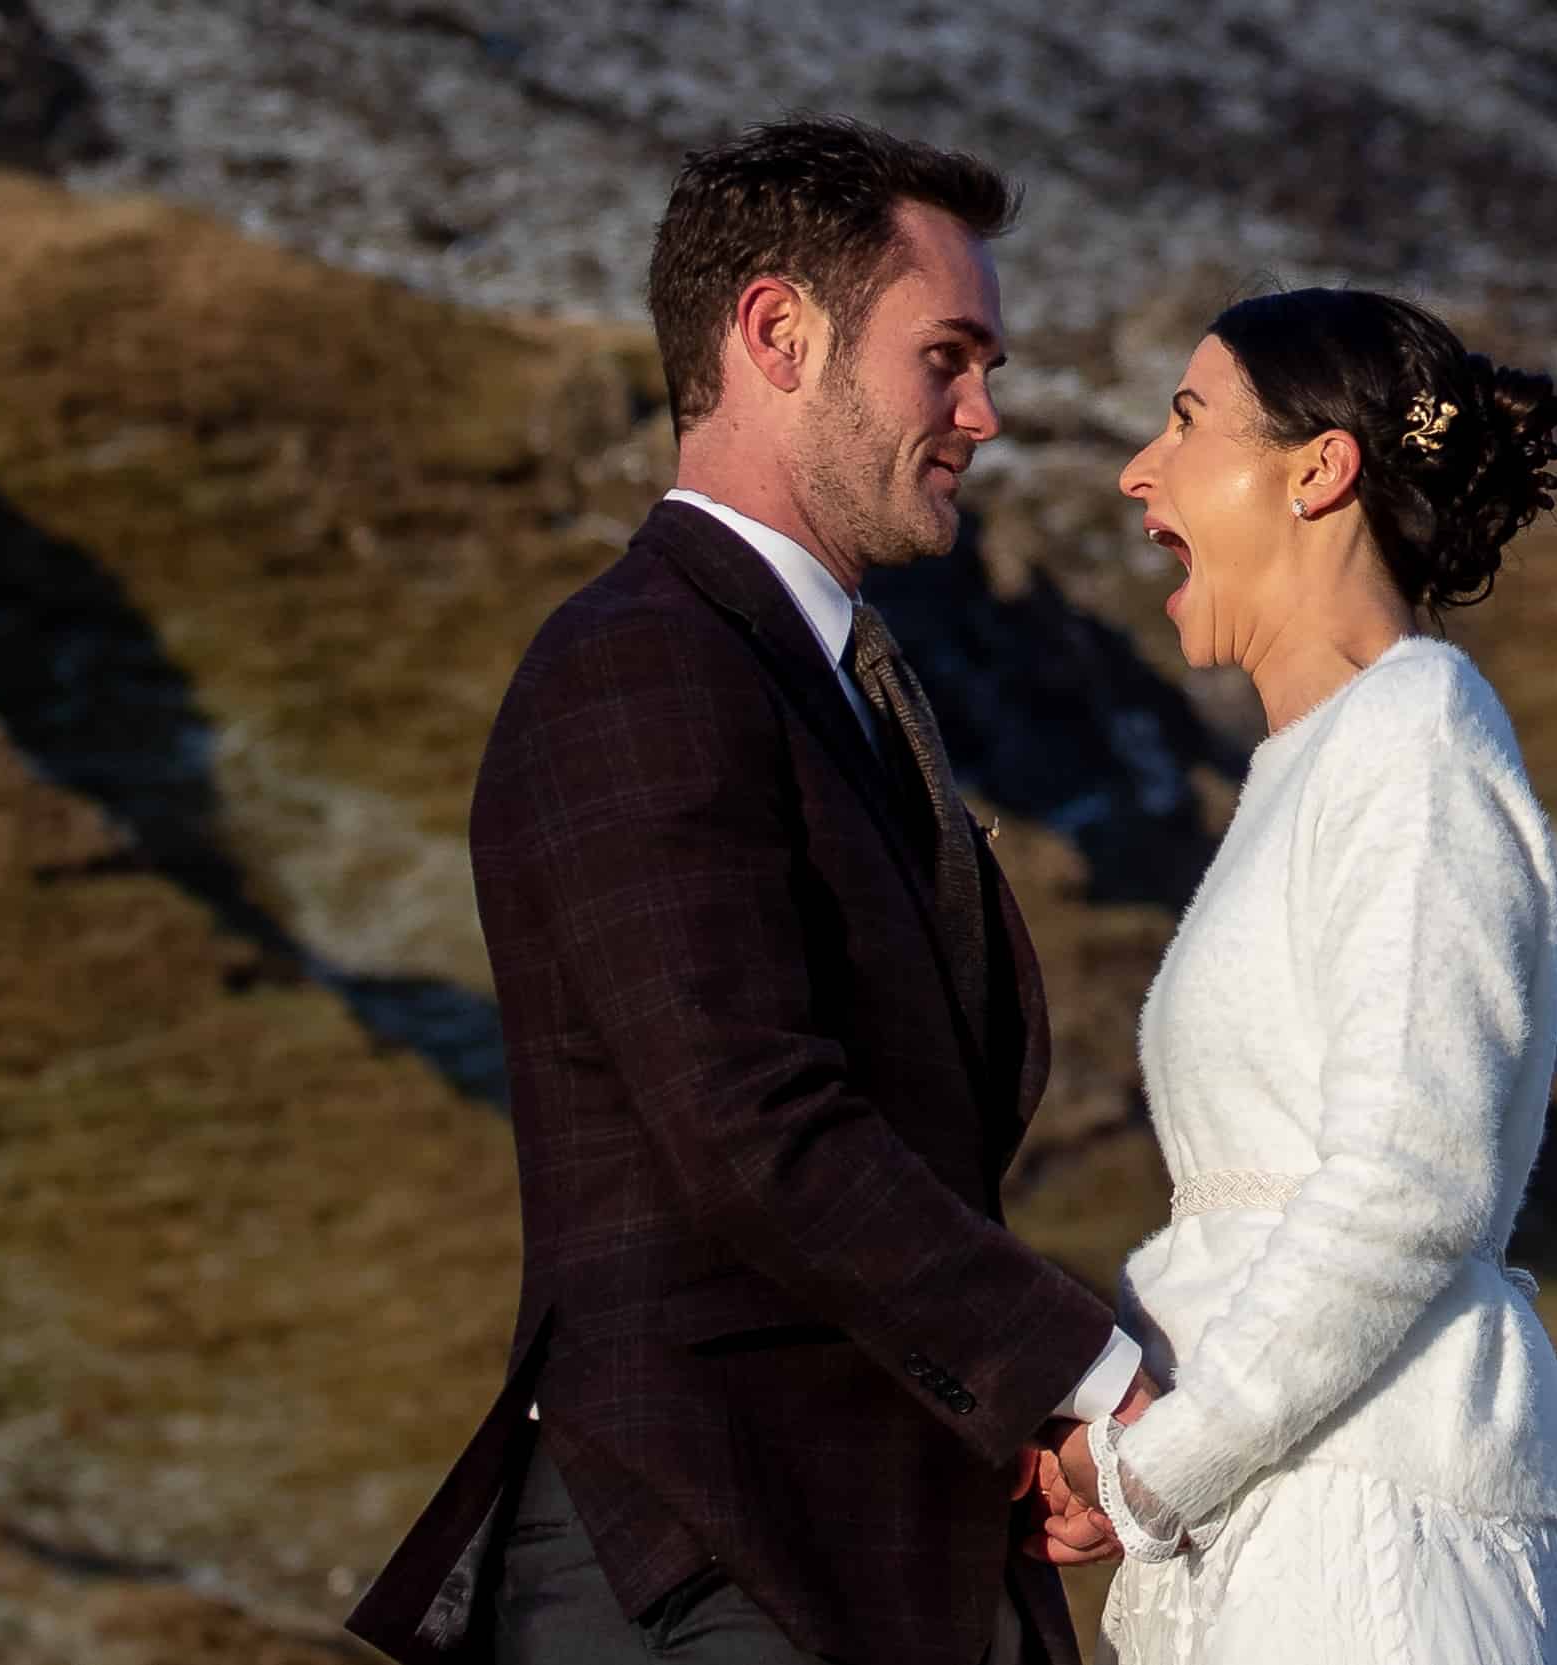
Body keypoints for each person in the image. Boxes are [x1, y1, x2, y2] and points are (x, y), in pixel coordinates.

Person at [345, 117, 1155, 1665]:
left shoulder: (814, 680)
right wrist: (1090, 1375)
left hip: (858, 1550)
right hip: (712, 1549)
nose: (985, 413)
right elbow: (751, 1125)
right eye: (949, 356)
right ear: (779, 332)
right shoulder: (639, 668)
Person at [1073, 288, 1557, 1663]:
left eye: (1187, 420)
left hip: (1369, 1549)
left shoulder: (1413, 740)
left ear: (1320, 471)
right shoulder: (1324, 761)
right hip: (1294, 1511)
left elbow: (1409, 1181)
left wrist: (1156, 1461)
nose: (1142, 467)